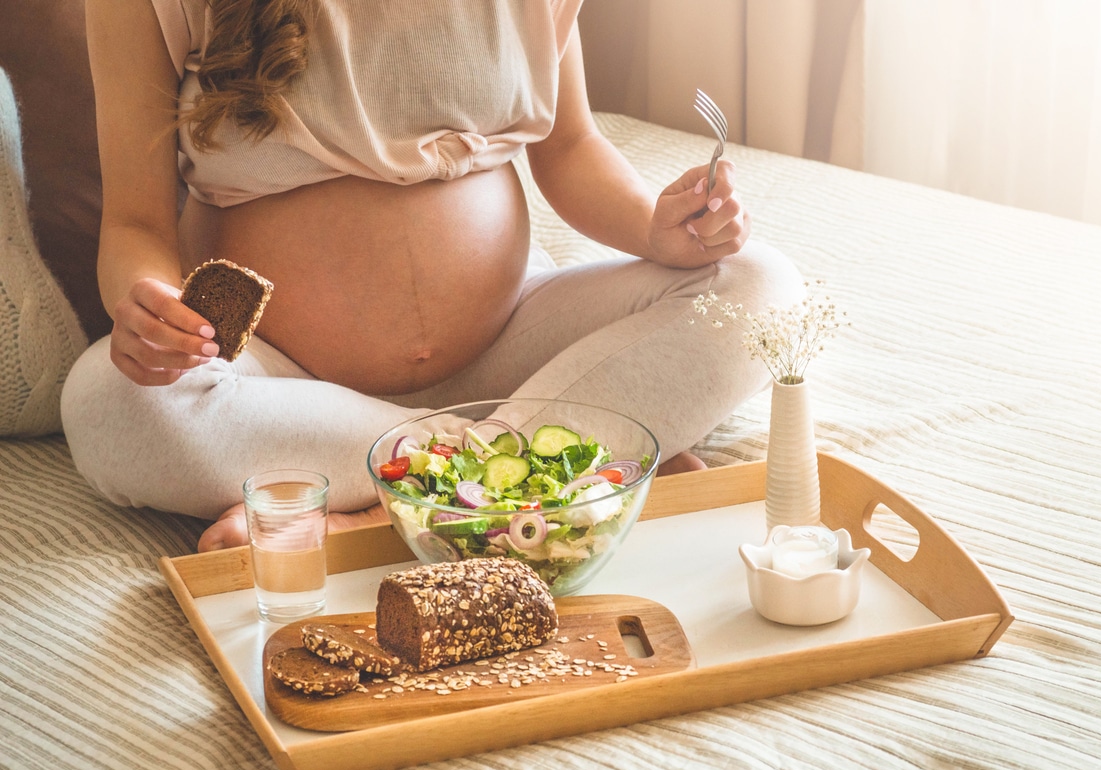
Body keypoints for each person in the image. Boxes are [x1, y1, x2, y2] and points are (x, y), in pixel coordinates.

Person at [62, 0, 806, 552]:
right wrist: (146, 303)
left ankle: (394, 502)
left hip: (508, 340)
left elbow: (571, 146)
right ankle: (556, 465)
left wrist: (656, 227)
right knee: (107, 401)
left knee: (759, 285)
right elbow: (136, 225)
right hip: (288, 382)